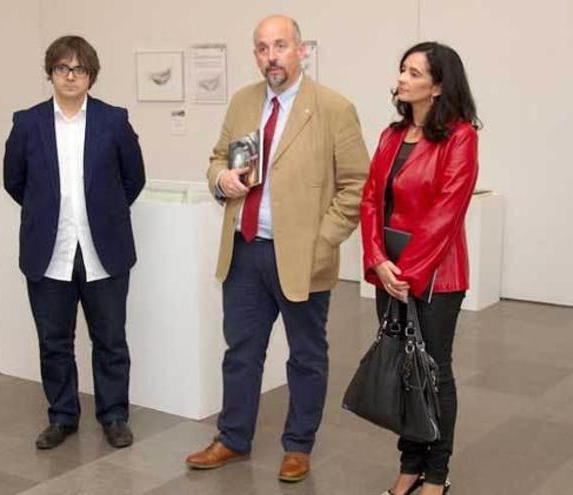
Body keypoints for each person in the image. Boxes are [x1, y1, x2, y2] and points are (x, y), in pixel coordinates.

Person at [184, 14, 369, 483]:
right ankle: (232, 438)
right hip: (245, 250)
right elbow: (216, 159)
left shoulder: (332, 108)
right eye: (263, 48)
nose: (272, 56)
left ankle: (298, 446)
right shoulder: (244, 102)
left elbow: (356, 187)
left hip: (302, 257)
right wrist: (221, 180)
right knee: (241, 352)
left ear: (302, 50)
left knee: (306, 355)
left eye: (281, 46)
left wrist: (322, 242)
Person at [3, 35, 145, 450]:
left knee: (110, 339)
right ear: (50, 72)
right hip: (49, 251)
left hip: (105, 250)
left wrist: (106, 213)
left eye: (78, 69)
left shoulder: (113, 121)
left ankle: (114, 415)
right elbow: (15, 182)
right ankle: (62, 416)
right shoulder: (27, 123)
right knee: (54, 341)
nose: (70, 75)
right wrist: (47, 213)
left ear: (90, 76)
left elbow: (133, 179)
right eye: (62, 67)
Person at [360, 41, 479, 495]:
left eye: (413, 72)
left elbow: (447, 213)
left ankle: (436, 475)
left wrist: (404, 273)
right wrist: (376, 260)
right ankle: (409, 467)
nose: (402, 79)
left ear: (439, 85)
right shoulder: (391, 136)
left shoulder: (461, 136)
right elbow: (371, 200)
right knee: (402, 371)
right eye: (401, 70)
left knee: (434, 371)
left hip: (436, 277)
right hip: (390, 271)